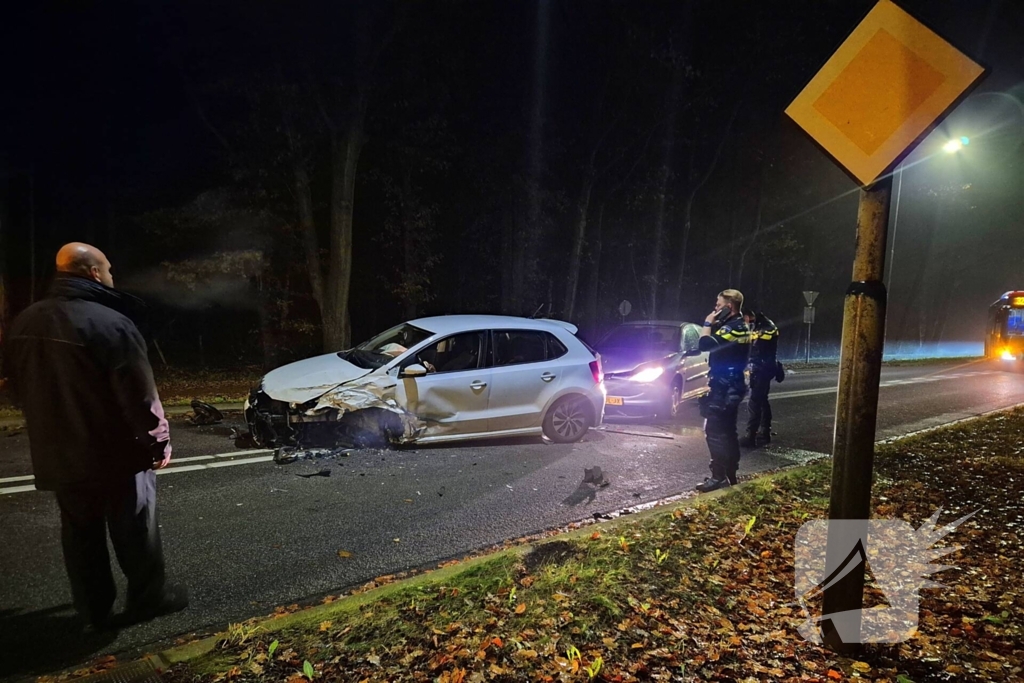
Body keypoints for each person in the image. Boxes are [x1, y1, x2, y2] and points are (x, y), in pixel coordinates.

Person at [5, 242, 188, 630]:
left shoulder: (25, 322)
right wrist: (158, 443)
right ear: (92, 273)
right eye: (107, 270)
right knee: (135, 529)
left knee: (80, 533)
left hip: (58, 452)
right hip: (116, 452)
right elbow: (140, 395)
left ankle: (92, 611)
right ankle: (149, 597)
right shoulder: (111, 323)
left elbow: (17, 388)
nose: (110, 276)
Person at [695, 289, 751, 492]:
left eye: (718, 306)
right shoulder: (737, 325)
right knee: (728, 431)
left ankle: (719, 477)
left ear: (728, 307)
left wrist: (708, 322)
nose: (715, 309)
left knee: (715, 431)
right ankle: (730, 474)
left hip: (725, 385)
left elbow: (705, 344)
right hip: (732, 383)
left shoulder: (734, 327)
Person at [740, 309, 779, 448]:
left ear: (749, 315)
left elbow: (757, 349)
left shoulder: (765, 327)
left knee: (754, 402)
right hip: (763, 368)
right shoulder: (760, 324)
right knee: (762, 400)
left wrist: (750, 365)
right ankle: (764, 432)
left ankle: (751, 436)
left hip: (762, 369)